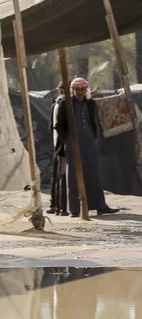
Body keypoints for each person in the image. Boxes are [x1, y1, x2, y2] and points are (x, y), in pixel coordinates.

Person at [54, 78, 117, 216]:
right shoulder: (65, 104)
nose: (80, 92)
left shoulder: (90, 104)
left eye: (82, 89)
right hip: (72, 144)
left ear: (85, 90)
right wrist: (68, 140)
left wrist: (93, 139)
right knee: (74, 177)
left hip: (89, 143)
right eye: (77, 89)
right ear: (73, 90)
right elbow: (58, 125)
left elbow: (94, 122)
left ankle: (99, 206)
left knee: (93, 174)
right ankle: (75, 210)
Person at [47, 86, 68, 216]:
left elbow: (51, 127)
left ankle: (55, 205)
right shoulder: (62, 104)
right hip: (62, 147)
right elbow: (56, 126)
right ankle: (60, 207)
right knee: (61, 176)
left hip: (58, 145)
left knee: (56, 176)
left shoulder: (56, 104)